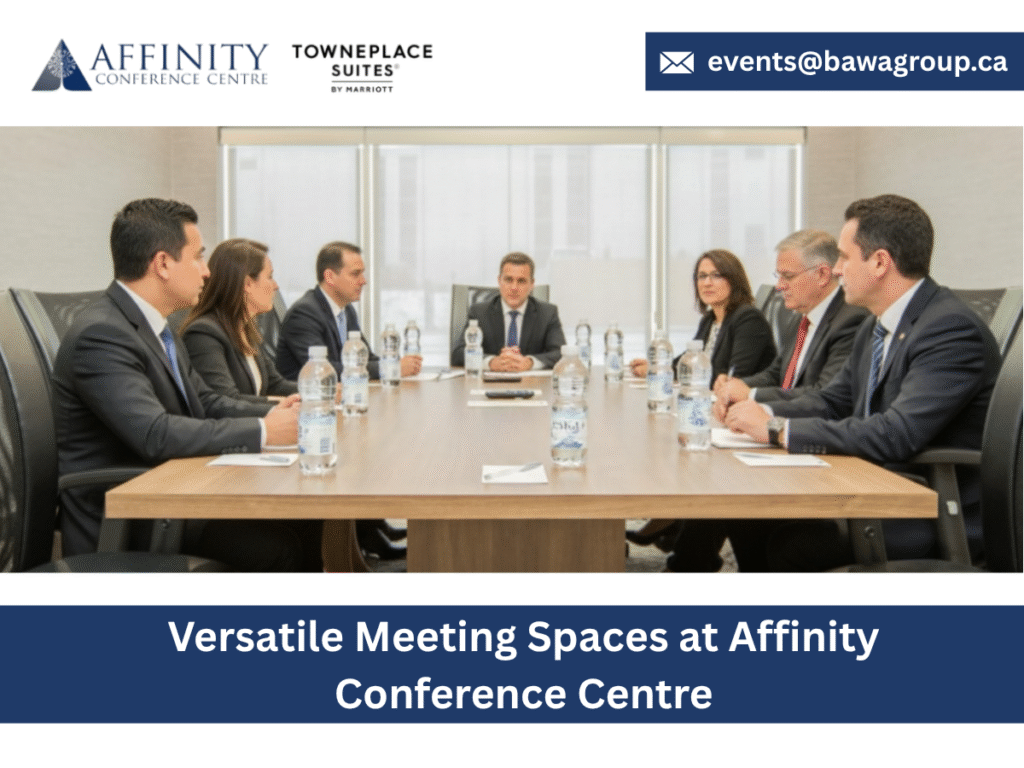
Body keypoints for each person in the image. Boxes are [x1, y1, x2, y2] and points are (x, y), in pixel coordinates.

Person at [720, 194, 1001, 570]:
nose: (836, 270)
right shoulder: (877, 324)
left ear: (880, 262)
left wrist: (776, 428)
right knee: (753, 517)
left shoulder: (949, 330)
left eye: (844, 257)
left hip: (932, 509)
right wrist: (754, 413)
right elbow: (831, 400)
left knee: (791, 540)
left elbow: (896, 433)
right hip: (877, 481)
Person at [53, 198, 315, 571]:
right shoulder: (103, 334)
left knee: (303, 521)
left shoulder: (156, 327)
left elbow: (205, 400)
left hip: (173, 492)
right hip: (133, 517)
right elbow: (155, 434)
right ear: (162, 264)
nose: (206, 272)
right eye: (197, 257)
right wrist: (262, 431)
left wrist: (274, 413)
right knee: (279, 544)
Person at [713, 230, 869, 418]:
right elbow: (777, 373)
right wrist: (736, 384)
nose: (779, 286)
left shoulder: (851, 320)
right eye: (778, 276)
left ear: (822, 275)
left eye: (787, 276)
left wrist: (751, 394)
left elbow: (825, 394)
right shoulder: (801, 316)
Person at [276, 241, 423, 381]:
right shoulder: (304, 314)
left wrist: (398, 365)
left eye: (362, 273)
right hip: (307, 402)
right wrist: (390, 368)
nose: (363, 281)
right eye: (355, 274)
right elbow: (325, 369)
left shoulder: (346, 310)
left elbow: (366, 358)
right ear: (330, 277)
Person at [629, 249, 776, 382]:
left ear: (734, 280)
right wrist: (658, 368)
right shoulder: (709, 319)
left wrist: (664, 374)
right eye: (702, 276)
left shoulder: (748, 320)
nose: (707, 283)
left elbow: (733, 377)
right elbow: (688, 361)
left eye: (716, 275)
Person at [181, 238, 298, 403]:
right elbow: (225, 401)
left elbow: (274, 384)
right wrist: (283, 405)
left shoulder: (245, 328)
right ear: (248, 284)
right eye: (270, 277)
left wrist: (321, 392)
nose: (275, 285)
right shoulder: (203, 334)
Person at [450, 251, 566, 371]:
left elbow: (561, 354)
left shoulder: (548, 313)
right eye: (508, 280)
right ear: (499, 281)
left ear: (532, 284)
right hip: (490, 385)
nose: (514, 288)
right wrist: (491, 362)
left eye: (521, 281)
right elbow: (458, 354)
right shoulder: (479, 312)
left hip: (531, 384)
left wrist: (530, 362)